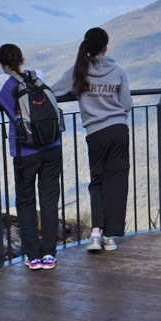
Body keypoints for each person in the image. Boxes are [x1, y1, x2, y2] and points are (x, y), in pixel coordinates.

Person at [0, 44, 62, 270]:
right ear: (22, 59)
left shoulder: (0, 83)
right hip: (52, 147)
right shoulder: (37, 75)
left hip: (25, 152)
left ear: (1, 64)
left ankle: (33, 256)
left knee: (26, 202)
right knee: (49, 200)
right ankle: (49, 254)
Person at [51, 27, 132, 252]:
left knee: (97, 182)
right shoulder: (118, 70)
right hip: (118, 130)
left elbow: (54, 91)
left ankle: (96, 234)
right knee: (116, 183)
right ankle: (111, 236)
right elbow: (126, 105)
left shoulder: (78, 70)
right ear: (105, 47)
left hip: (96, 133)